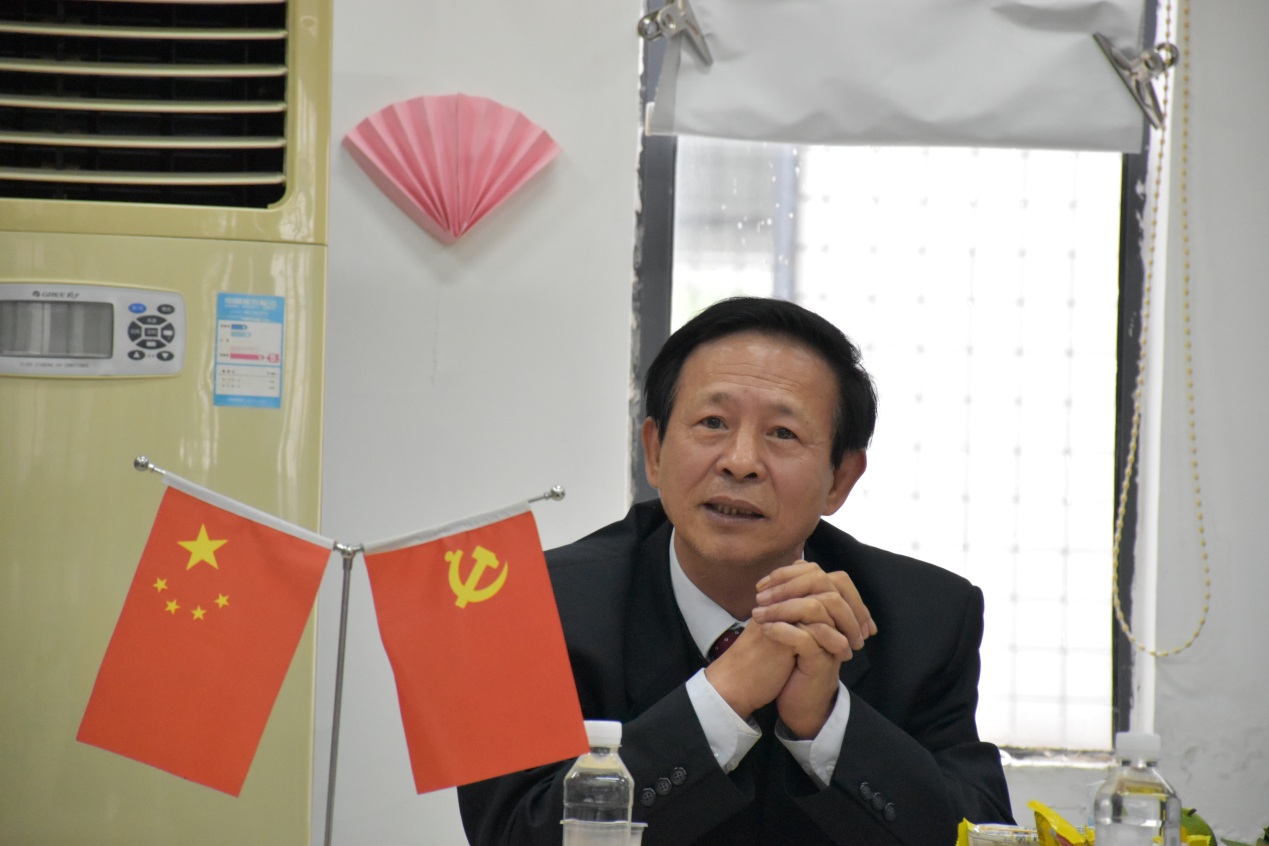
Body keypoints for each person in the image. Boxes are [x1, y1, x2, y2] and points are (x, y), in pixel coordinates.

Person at [458, 297, 1014, 845]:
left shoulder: (928, 619)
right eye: (713, 422)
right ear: (654, 451)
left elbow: (979, 833)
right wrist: (720, 697)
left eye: (783, 433)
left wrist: (825, 722)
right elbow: (511, 833)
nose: (740, 461)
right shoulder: (531, 606)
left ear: (840, 479)